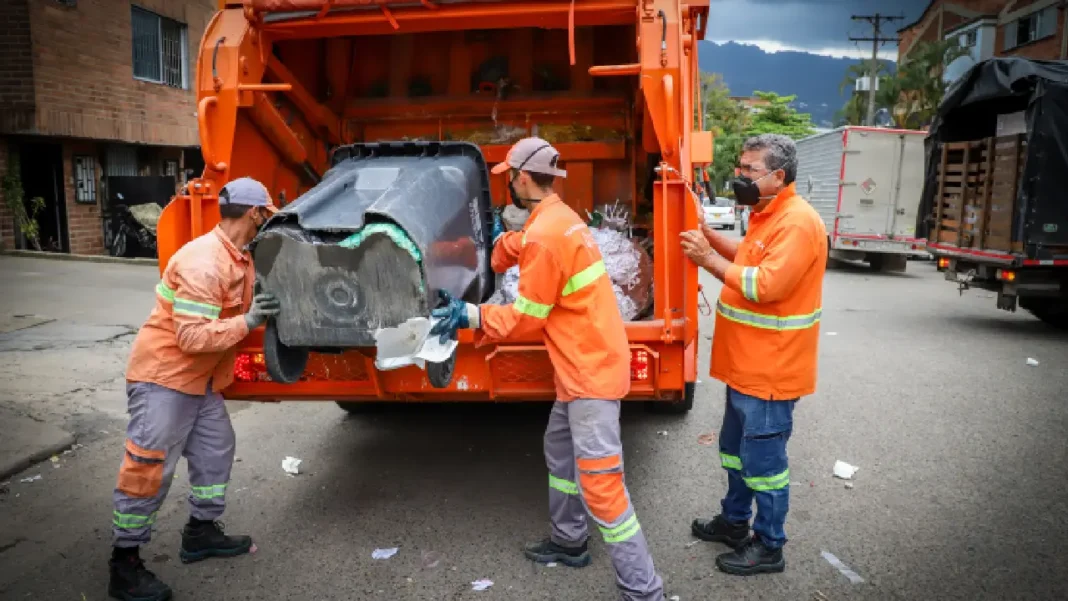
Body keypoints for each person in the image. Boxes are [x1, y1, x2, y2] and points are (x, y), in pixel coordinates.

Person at [431, 137, 664, 601]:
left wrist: (471, 315)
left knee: (603, 488)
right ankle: (569, 539)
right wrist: (500, 245)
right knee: (559, 448)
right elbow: (525, 244)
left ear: (520, 178)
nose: (510, 186)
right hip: (585, 364)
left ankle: (644, 590)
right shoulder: (561, 218)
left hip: (589, 374)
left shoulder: (546, 235)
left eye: (510, 179)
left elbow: (524, 319)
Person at [108, 178, 281, 601]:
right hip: (164, 378)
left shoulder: (237, 256)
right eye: (266, 215)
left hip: (197, 381)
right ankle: (124, 564)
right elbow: (191, 338)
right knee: (148, 468)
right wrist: (250, 321)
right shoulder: (204, 262)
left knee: (216, 448)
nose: (266, 223)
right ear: (255, 213)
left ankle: (200, 532)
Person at [680, 134, 827, 576]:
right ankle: (735, 522)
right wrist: (708, 239)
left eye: (749, 170)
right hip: (746, 367)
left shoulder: (798, 222)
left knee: (763, 464)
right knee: (735, 453)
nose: (739, 176)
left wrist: (707, 259)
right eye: (740, 167)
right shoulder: (768, 214)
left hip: (771, 371)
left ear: (778, 176)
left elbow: (764, 286)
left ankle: (769, 545)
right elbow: (747, 258)